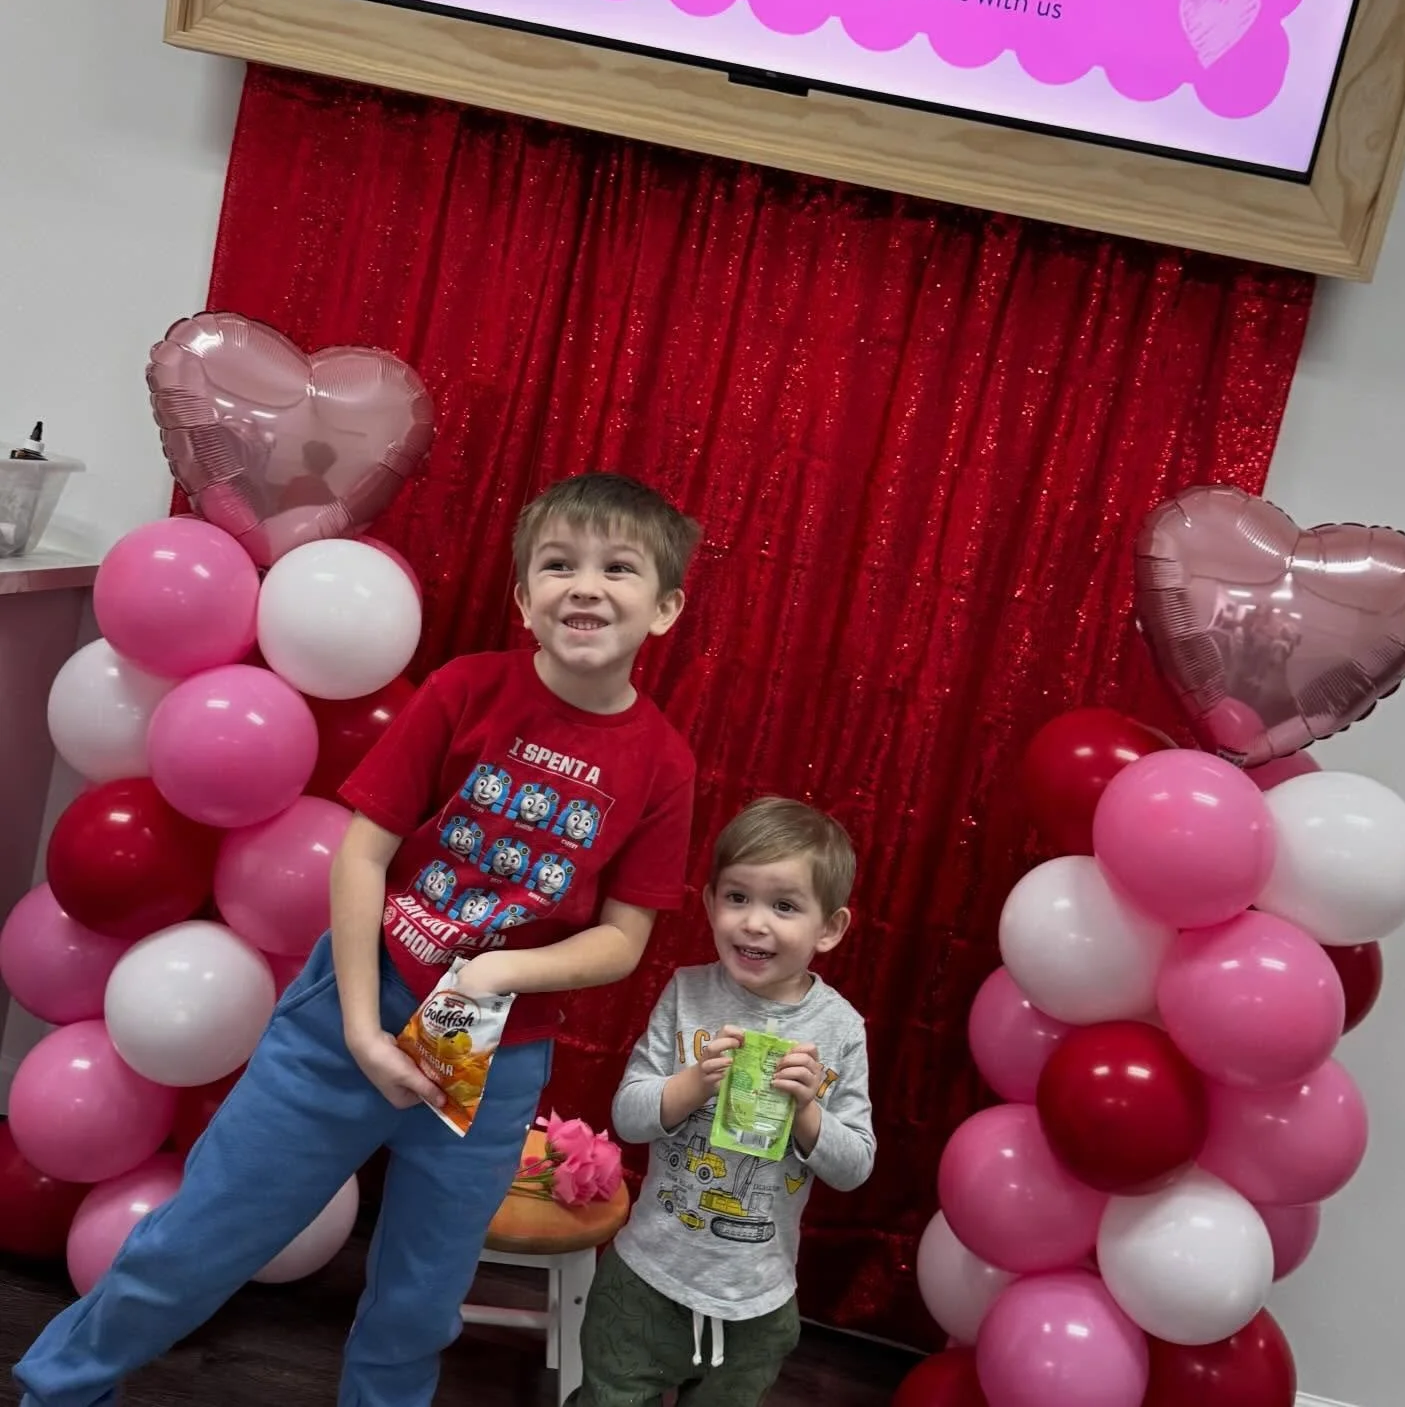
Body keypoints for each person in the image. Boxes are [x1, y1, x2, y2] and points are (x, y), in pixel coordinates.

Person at [16, 472, 703, 1407]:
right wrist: (360, 1028)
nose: (585, 585)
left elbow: (622, 940)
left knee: (420, 1300)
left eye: (618, 569)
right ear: (523, 597)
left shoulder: (663, 763)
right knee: (202, 1234)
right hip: (354, 1004)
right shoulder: (467, 690)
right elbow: (360, 858)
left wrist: (498, 967)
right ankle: (59, 1386)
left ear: (663, 608)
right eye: (558, 564)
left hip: (491, 1053)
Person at [572, 798, 874, 1407]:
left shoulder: (841, 1029)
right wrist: (692, 1084)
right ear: (710, 902)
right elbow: (628, 1118)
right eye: (737, 898)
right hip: (646, 1278)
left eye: (784, 906)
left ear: (830, 928)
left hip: (756, 1301)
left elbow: (855, 1166)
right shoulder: (687, 992)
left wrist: (809, 1112)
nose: (754, 923)